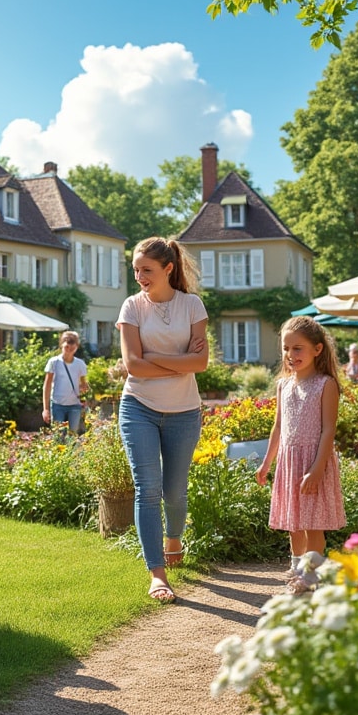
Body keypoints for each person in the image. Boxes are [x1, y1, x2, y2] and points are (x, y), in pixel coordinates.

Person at [116, 237, 208, 604]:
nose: (139, 276)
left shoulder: (192, 305)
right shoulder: (131, 307)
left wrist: (151, 356)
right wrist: (177, 361)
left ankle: (174, 538)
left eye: (147, 270)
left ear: (168, 268)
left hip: (185, 411)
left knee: (175, 490)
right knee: (148, 489)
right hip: (138, 405)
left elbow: (200, 364)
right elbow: (132, 366)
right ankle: (157, 574)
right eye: (136, 270)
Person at [256, 316, 347, 596]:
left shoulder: (325, 384)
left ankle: (311, 576)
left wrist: (318, 468)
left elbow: (328, 429)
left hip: (312, 462)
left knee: (312, 524)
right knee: (294, 523)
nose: (290, 355)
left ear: (317, 350)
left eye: (298, 348)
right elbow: (278, 426)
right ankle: (297, 573)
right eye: (286, 348)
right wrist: (266, 461)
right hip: (289, 462)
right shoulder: (284, 385)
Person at [42, 330, 90, 434]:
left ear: (76, 347)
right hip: (57, 404)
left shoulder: (80, 364)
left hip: (75, 405)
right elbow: (47, 386)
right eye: (66, 347)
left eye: (72, 348)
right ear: (61, 346)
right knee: (59, 436)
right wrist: (45, 409)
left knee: (72, 437)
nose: (69, 350)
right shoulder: (54, 362)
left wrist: (85, 393)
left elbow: (83, 386)